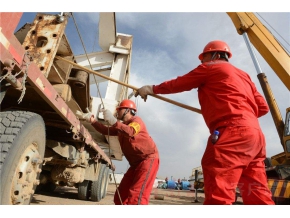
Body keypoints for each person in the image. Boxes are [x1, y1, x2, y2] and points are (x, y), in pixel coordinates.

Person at [135, 40, 274, 205]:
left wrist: (152, 89)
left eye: (204, 57)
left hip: (232, 132)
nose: (202, 61)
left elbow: (180, 83)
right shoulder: (244, 75)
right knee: (257, 191)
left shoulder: (210, 67)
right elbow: (263, 107)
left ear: (214, 54)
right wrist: (236, 109)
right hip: (256, 137)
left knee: (218, 187)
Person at [76, 99, 159, 205]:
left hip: (147, 160)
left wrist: (114, 121)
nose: (116, 112)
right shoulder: (121, 127)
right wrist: (92, 120)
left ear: (128, 110)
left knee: (137, 197)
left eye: (119, 109)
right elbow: (105, 130)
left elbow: (131, 131)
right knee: (121, 195)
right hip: (135, 164)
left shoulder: (137, 121)